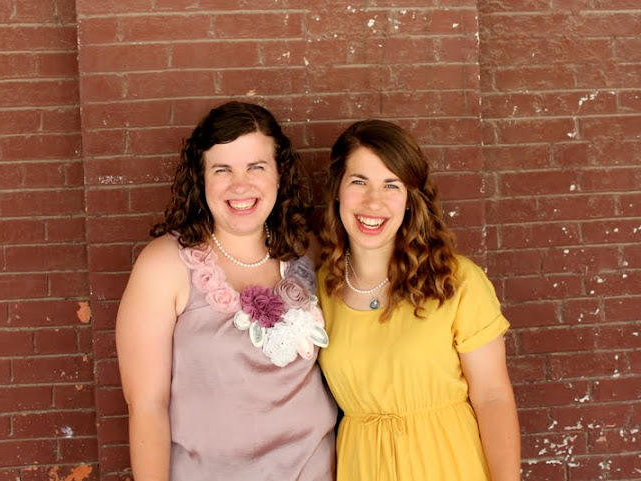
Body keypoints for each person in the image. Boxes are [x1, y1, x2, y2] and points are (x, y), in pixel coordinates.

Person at [115, 101, 337, 481]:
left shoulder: (308, 253)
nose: (240, 185)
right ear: (201, 179)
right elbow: (147, 406)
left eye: (256, 167)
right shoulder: (164, 265)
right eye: (223, 170)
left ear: (279, 175)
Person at [317, 119, 520, 481]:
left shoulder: (456, 281)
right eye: (359, 182)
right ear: (337, 190)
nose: (373, 201)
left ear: (410, 199)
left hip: (449, 464)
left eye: (391, 185)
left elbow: (492, 397)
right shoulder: (320, 289)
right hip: (363, 467)